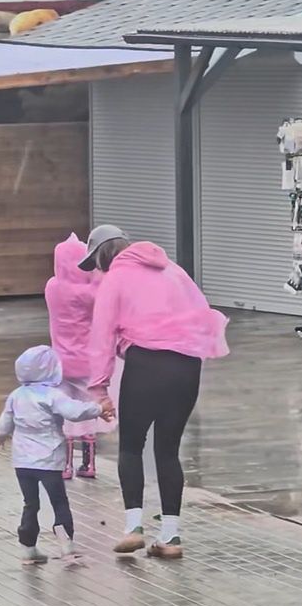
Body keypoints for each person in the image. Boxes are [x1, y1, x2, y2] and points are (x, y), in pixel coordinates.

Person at [80, 224, 229, 559]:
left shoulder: (115, 278)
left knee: (131, 447)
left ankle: (133, 527)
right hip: (188, 365)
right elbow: (201, 313)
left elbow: (101, 336)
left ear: (103, 255)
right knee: (168, 450)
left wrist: (99, 389)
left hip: (146, 361)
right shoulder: (173, 271)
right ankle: (171, 537)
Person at [0, 345, 110, 563]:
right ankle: (67, 546)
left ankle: (28, 549)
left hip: (22, 462)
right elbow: (75, 412)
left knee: (31, 503)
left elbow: (4, 423)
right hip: (49, 459)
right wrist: (98, 408)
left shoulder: (16, 395)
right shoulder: (52, 395)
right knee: (59, 501)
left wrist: (0, 436)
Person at [44, 233, 117, 480]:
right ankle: (88, 464)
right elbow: (103, 300)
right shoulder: (86, 293)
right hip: (87, 363)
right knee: (90, 410)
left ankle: (64, 465)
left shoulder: (52, 287)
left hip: (59, 363)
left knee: (64, 412)